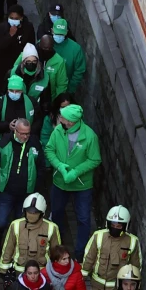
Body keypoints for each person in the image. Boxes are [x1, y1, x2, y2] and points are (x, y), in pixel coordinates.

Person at [44, 105, 100, 255]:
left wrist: (76, 172)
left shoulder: (90, 136)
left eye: (63, 118)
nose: (60, 119)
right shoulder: (58, 131)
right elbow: (49, 150)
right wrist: (60, 167)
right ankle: (56, 248)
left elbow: (95, 159)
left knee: (83, 218)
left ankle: (80, 253)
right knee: (56, 213)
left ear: (72, 122)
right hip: (60, 182)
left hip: (82, 186)